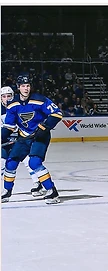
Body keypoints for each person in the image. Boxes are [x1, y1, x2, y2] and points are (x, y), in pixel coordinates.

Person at [1, 74, 62, 204]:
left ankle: (52, 191)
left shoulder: (40, 100)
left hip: (40, 136)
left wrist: (44, 128)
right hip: (23, 137)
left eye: (28, 85)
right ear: (18, 87)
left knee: (34, 162)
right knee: (10, 163)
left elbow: (57, 114)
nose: (26, 88)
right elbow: (9, 126)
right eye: (23, 86)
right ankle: (7, 191)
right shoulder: (12, 104)